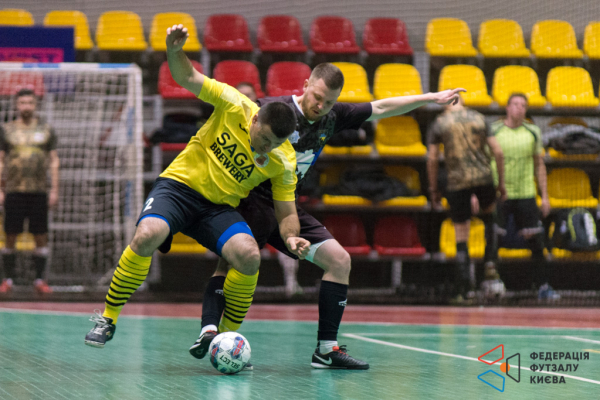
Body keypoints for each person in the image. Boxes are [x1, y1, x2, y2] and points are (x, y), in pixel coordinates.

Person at [193, 62, 465, 370]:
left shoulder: (332, 117)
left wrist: (430, 97)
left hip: (287, 209)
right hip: (248, 201)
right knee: (230, 263)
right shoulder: (273, 109)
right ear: (306, 85)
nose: (320, 106)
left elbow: (381, 107)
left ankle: (326, 350)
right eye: (317, 97)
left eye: (329, 102)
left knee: (339, 261)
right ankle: (210, 332)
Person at [84, 24, 310, 348]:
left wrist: (291, 237)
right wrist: (175, 52)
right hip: (179, 188)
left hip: (216, 209)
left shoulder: (283, 160)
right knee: (147, 234)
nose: (266, 148)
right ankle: (108, 318)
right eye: (264, 139)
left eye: (274, 144)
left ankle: (226, 337)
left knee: (249, 256)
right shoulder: (233, 103)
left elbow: (286, 211)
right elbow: (188, 77)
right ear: (255, 119)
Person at [427, 97, 506, 302]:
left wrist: (434, 189)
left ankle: (464, 290)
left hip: (457, 182)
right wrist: (500, 183)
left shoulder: (440, 123)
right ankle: (490, 262)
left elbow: (432, 158)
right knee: (490, 220)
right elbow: (498, 152)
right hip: (484, 178)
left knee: (461, 234)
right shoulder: (479, 118)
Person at [487, 93, 554, 299]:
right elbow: (484, 162)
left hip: (526, 193)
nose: (519, 108)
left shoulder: (532, 132)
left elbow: (539, 165)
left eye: (523, 105)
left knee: (536, 241)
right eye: (515, 104)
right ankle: (489, 285)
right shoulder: (494, 130)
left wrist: (545, 196)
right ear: (507, 108)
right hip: (500, 194)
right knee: (493, 239)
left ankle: (542, 286)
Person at [0, 88, 59, 294]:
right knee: (10, 234)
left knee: (40, 235)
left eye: (30, 103)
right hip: (14, 190)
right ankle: (7, 280)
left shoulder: (46, 130)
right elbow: (0, 160)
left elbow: (54, 161)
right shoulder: (6, 130)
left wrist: (54, 189)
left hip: (39, 191)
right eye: (23, 102)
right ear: (16, 105)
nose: (26, 106)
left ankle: (39, 280)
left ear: (36, 105)